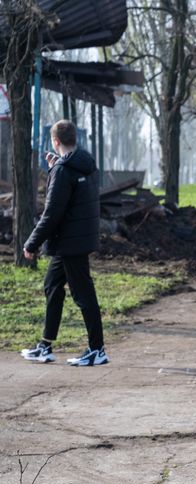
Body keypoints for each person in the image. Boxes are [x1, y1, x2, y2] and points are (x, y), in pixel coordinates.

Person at [20, 119, 106, 366]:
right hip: (75, 239)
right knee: (52, 286)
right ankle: (45, 346)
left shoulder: (63, 170)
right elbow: (72, 194)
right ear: (74, 139)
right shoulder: (84, 164)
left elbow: (52, 213)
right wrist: (55, 168)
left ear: (55, 141)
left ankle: (97, 349)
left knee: (83, 294)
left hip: (70, 241)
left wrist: (31, 243)